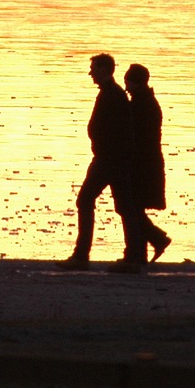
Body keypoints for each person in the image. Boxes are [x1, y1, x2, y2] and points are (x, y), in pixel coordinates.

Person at [63, 53, 141, 268]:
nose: (90, 73)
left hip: (109, 159)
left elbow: (119, 130)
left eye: (94, 69)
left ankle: (82, 256)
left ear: (105, 70)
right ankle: (132, 256)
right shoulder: (111, 93)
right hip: (112, 158)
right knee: (124, 206)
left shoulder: (113, 95)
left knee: (87, 200)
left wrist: (106, 151)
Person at [124, 63, 171, 265]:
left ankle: (156, 239)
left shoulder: (140, 104)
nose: (126, 87)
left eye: (128, 82)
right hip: (147, 161)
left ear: (134, 82)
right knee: (135, 206)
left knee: (131, 207)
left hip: (143, 162)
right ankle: (140, 253)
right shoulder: (145, 101)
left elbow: (136, 135)